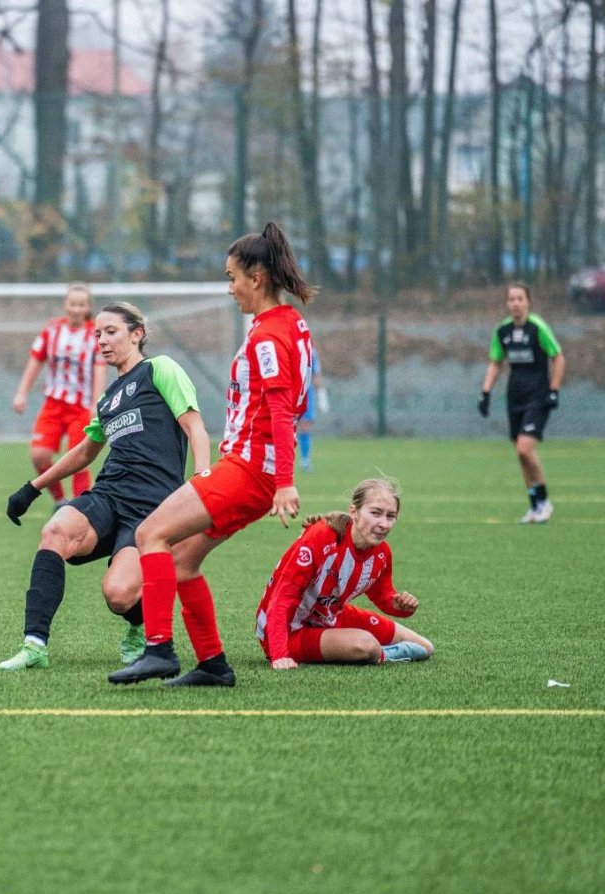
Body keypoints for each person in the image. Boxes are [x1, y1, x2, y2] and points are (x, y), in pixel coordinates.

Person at [109, 222, 315, 688]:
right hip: (252, 470)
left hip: (249, 470)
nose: (229, 288)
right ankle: (213, 665)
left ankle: (158, 650)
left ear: (256, 279)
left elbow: (281, 410)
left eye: (232, 278)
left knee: (150, 533)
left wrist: (285, 481)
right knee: (182, 560)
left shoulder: (267, 336)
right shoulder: (290, 324)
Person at [0, 303, 210, 671]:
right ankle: (34, 645)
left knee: (118, 594)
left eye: (111, 332)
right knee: (54, 531)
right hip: (108, 495)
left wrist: (202, 482)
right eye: (98, 334)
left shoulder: (160, 369)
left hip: (152, 507)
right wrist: (32, 488)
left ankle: (139, 626)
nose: (101, 340)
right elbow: (85, 451)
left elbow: (195, 427)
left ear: (137, 334)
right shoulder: (108, 398)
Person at [256, 478, 433, 668]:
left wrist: (399, 605)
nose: (384, 524)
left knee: (425, 647)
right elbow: (282, 598)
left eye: (391, 516)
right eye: (375, 513)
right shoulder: (322, 536)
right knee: (366, 645)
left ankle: (372, 650)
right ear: (354, 512)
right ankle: (383, 653)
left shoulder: (382, 553)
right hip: (287, 631)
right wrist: (279, 655)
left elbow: (383, 595)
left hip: (329, 616)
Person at [478, 283, 565, 524]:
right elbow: (496, 362)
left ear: (528, 302)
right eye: (511, 299)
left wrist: (554, 389)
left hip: (538, 396)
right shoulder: (502, 330)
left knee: (524, 449)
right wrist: (486, 392)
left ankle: (545, 501)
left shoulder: (538, 327)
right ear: (507, 303)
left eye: (520, 298)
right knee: (521, 455)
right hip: (515, 397)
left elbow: (558, 357)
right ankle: (534, 506)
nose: (515, 303)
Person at [12, 284, 107, 507]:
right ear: (66, 305)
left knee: (79, 459)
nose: (76, 309)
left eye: (81, 305)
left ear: (88, 307)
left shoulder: (95, 334)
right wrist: (21, 392)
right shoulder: (52, 330)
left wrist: (96, 403)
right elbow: (36, 360)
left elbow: (100, 369)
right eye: (72, 304)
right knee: (39, 455)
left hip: (81, 407)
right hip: (53, 405)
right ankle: (60, 501)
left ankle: (81, 509)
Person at [298, 349, 327, 471]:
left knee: (305, 426)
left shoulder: (311, 352)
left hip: (305, 394)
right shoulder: (285, 347)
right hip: (288, 391)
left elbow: (316, 375)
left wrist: (321, 395)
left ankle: (305, 460)